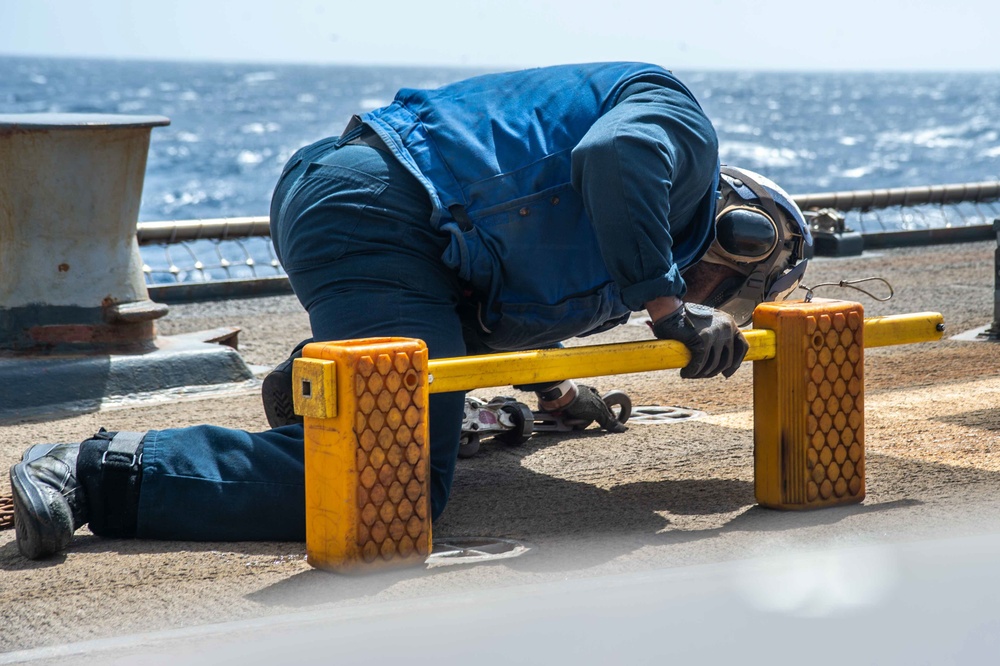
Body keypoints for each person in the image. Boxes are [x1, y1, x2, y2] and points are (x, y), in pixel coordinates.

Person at [8, 62, 812, 560]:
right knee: (389, 487)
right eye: (721, 297)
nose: (713, 310)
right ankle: (91, 471)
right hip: (382, 209)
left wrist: (564, 397)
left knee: (407, 424)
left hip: (383, 225)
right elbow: (614, 155)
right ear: (739, 240)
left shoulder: (614, 258)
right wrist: (670, 309)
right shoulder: (675, 124)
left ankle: (321, 386)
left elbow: (526, 308)